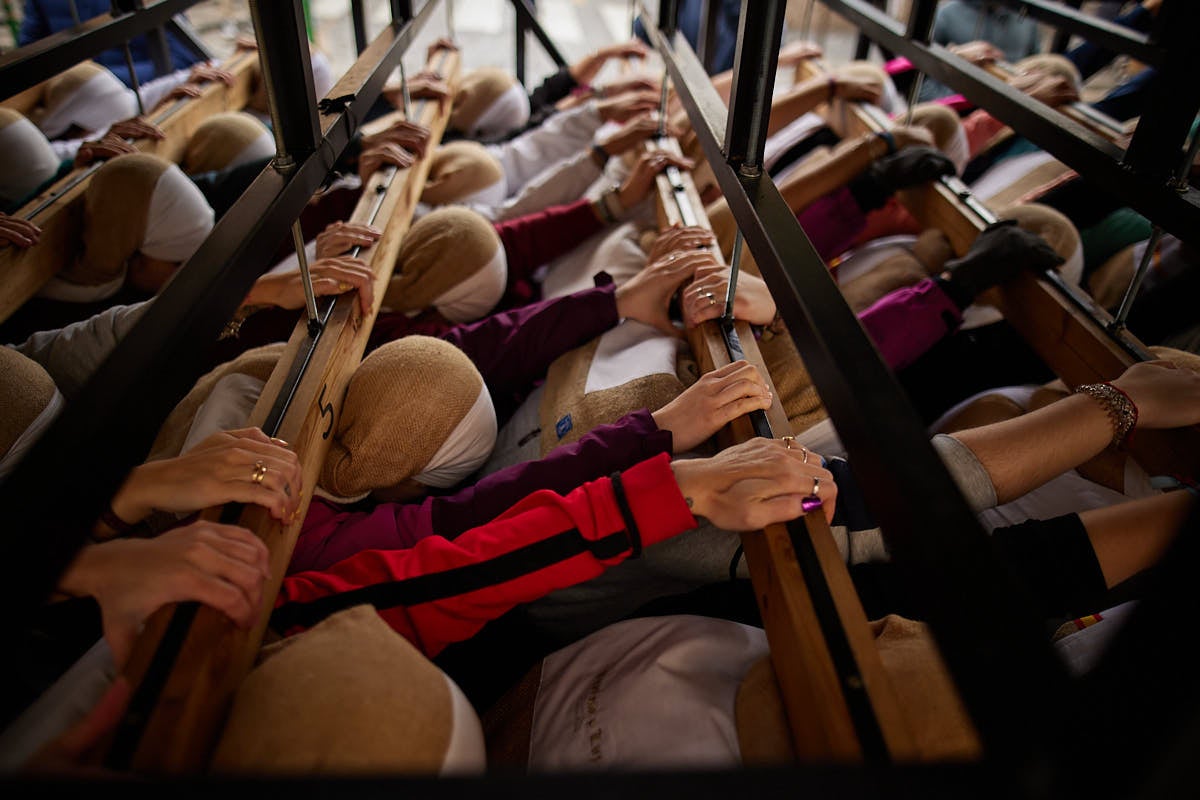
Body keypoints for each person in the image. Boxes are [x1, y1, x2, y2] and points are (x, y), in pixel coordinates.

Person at [18, 0, 204, 88]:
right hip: (80, 113)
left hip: (153, 94)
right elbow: (28, 65)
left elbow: (184, 58)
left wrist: (99, 82)